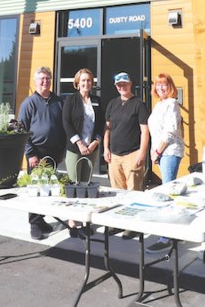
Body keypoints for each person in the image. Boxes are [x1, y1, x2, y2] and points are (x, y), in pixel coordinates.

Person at [18, 66, 66, 240]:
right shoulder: (29, 103)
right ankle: (35, 225)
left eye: (48, 78)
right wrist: (30, 153)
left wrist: (61, 151)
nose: (45, 81)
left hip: (54, 152)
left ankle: (42, 219)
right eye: (41, 78)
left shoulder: (58, 102)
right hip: (36, 153)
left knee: (48, 188)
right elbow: (22, 130)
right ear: (35, 81)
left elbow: (63, 128)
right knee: (36, 188)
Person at [103, 72, 149, 238]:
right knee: (117, 192)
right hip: (114, 155)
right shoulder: (112, 104)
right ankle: (118, 223)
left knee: (133, 192)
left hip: (132, 154)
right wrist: (105, 148)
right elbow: (107, 129)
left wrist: (142, 153)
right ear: (116, 86)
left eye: (125, 83)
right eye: (119, 84)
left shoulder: (139, 104)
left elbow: (145, 131)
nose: (122, 87)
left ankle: (133, 226)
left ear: (131, 84)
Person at [62, 67, 105, 238]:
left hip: (91, 148)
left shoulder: (97, 100)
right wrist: (79, 143)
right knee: (74, 183)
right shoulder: (71, 100)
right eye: (83, 80)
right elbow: (66, 123)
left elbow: (102, 124)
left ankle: (85, 221)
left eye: (89, 80)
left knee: (87, 184)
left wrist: (96, 142)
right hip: (75, 148)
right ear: (77, 83)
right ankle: (73, 222)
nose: (86, 83)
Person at [145, 72, 185, 252]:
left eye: (164, 84)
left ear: (170, 87)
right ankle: (173, 232)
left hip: (168, 152)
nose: (161, 87)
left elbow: (170, 131)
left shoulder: (172, 104)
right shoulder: (159, 105)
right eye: (158, 84)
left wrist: (158, 151)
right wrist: (156, 152)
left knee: (168, 192)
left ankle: (168, 237)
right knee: (168, 189)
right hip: (161, 153)